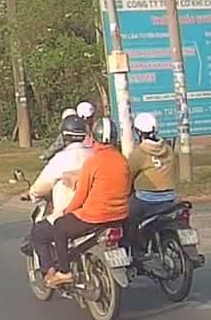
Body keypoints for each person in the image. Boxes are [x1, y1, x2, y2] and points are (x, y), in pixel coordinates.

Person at [42, 118, 131, 288]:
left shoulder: (93, 163)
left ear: (95, 138)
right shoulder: (123, 161)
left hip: (94, 217)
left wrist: (67, 211)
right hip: (120, 216)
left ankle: (64, 271)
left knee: (60, 226)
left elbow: (81, 195)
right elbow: (127, 190)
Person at [28, 115, 92, 273]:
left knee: (38, 234)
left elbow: (41, 186)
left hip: (70, 214)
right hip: (94, 212)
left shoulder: (60, 159)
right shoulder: (94, 155)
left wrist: (33, 194)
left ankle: (51, 273)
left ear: (64, 136)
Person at [127, 111, 178, 219]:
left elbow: (128, 178)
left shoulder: (138, 154)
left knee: (127, 219)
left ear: (138, 132)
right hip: (170, 199)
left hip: (145, 200)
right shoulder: (169, 150)